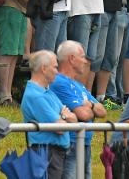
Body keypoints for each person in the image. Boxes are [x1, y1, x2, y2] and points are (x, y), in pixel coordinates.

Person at [50, 40, 106, 179]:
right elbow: (83, 114)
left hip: (84, 143)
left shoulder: (78, 85)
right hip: (71, 144)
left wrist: (91, 105)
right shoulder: (59, 82)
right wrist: (88, 108)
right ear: (71, 59)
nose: (85, 61)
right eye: (82, 56)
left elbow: (103, 111)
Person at [21, 50, 77, 179]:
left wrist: (65, 118)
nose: (57, 72)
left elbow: (74, 119)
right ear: (44, 68)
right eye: (55, 67)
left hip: (54, 153)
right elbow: (60, 129)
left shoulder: (47, 92)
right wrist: (64, 116)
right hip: (47, 154)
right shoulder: (35, 96)